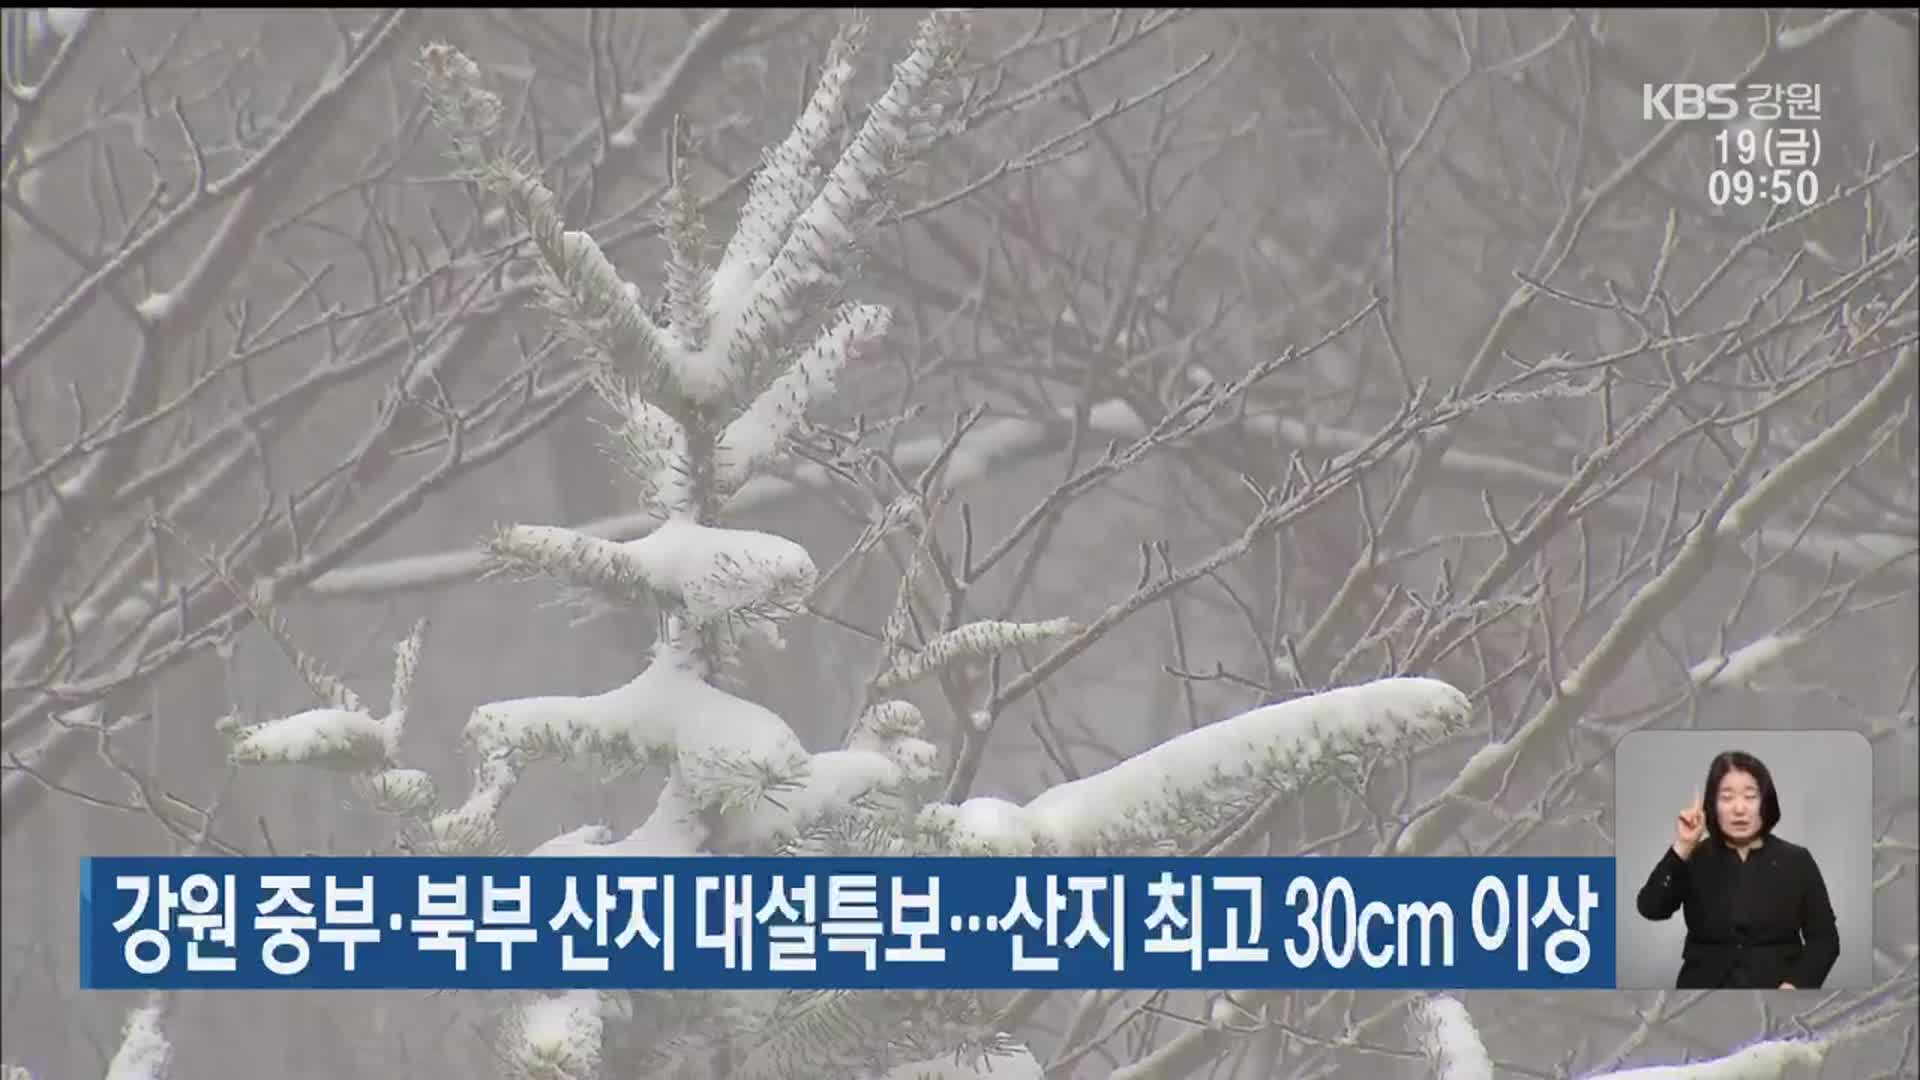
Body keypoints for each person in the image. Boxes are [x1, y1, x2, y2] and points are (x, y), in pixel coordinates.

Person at [1635, 749, 1840, 989]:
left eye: (1750, 796)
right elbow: (1651, 908)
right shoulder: (1694, 856)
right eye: (1727, 797)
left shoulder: (1797, 860)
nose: (1739, 809)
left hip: (1775, 999)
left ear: (1765, 802)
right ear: (1712, 805)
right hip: (1702, 996)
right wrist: (1683, 846)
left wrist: (1795, 985)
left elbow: (1825, 940)